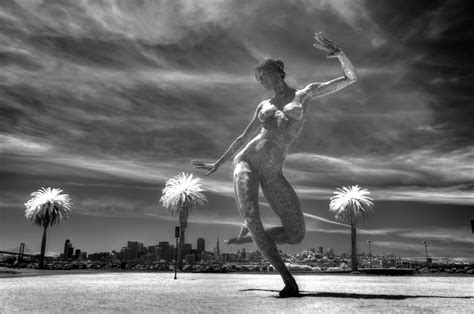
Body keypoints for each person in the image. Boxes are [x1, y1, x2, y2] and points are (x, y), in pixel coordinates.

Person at [192, 32, 357, 297]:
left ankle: (251, 237)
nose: (261, 81)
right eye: (258, 79)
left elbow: (351, 78)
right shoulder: (263, 105)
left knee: (296, 233)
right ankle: (288, 281)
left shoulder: (305, 94)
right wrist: (218, 163)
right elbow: (243, 136)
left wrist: (341, 55)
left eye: (263, 75)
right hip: (246, 162)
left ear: (277, 72)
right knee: (253, 216)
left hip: (272, 172)